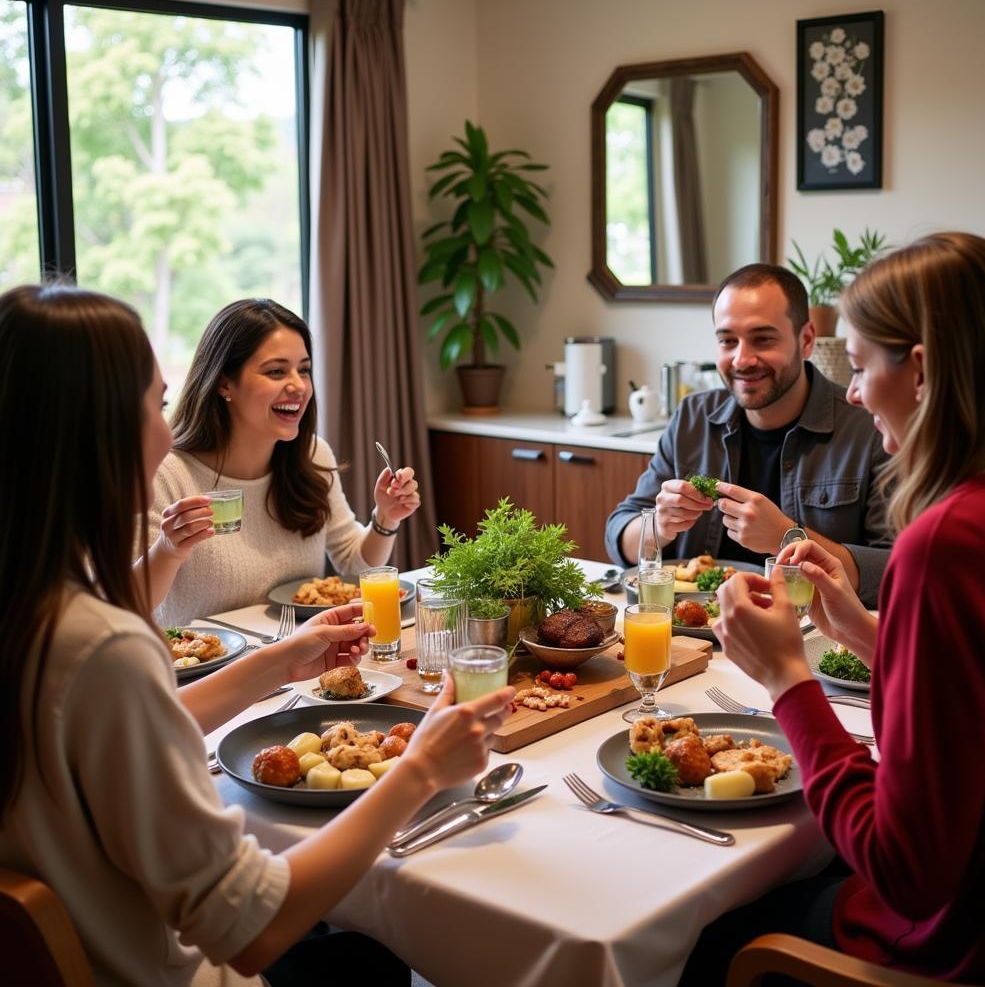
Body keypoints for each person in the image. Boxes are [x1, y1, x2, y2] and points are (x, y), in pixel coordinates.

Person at [0, 283, 515, 986]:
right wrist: (421, 770)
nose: (163, 428)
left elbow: (130, 724)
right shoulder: (103, 644)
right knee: (391, 955)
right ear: (98, 431)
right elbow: (251, 927)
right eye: (152, 403)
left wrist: (279, 662)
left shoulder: (33, 611)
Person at [687, 233, 985, 985]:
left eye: (864, 364)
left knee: (693, 931)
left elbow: (907, 871)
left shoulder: (949, 542)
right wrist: (870, 634)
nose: (852, 391)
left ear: (924, 371)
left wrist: (786, 681)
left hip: (949, 947)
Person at [604, 263, 891, 606]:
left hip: (813, 635)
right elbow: (618, 534)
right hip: (696, 632)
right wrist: (658, 528)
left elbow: (894, 570)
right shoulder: (694, 417)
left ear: (807, 340)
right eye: (728, 341)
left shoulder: (869, 426)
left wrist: (787, 536)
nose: (742, 359)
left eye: (763, 339)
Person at [140, 298, 421, 627]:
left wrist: (385, 517)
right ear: (224, 383)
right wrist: (168, 550)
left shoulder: (313, 455)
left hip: (302, 662)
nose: (299, 386)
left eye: (303, 370)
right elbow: (127, 603)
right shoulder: (166, 472)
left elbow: (354, 566)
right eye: (276, 371)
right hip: (204, 671)